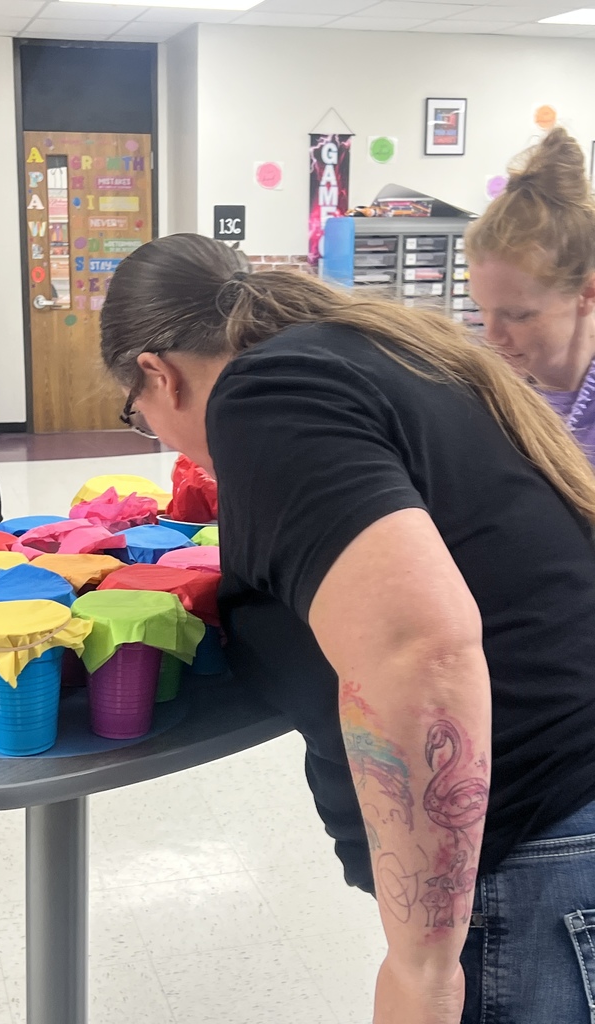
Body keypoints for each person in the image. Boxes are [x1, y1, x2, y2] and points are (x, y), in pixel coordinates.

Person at [99, 232, 595, 1024]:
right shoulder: (376, 350)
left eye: (140, 416)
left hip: (537, 852)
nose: (157, 435)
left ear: (158, 374)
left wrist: (423, 971)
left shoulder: (263, 395)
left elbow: (422, 652)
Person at [466, 127, 595, 464]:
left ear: (588, 293)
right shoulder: (487, 395)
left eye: (518, 315)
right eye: (481, 310)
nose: (492, 338)